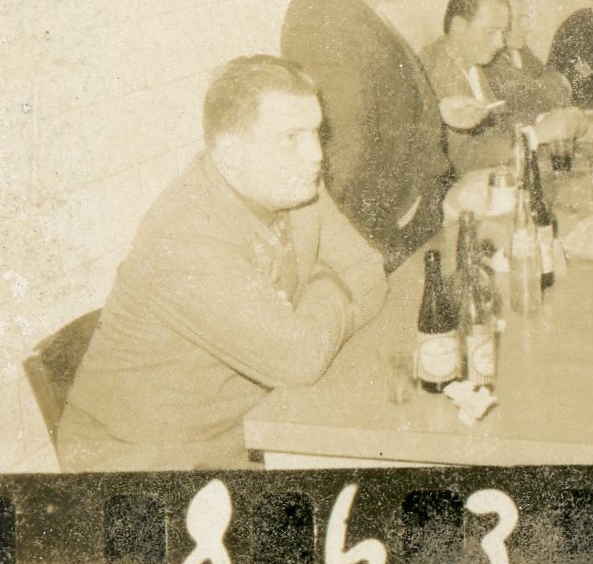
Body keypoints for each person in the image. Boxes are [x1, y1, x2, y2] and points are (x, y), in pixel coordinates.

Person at [58, 56, 388, 471]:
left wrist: (309, 318)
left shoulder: (296, 184)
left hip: (248, 428)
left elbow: (369, 273)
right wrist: (328, 280)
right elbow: (300, 359)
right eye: (291, 137)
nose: (316, 154)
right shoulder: (185, 236)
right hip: (146, 465)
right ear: (232, 153)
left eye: (315, 132)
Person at [281, 0, 451, 271]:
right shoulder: (322, 20)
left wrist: (437, 110)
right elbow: (344, 157)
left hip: (408, 222)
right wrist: (374, 253)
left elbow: (378, 103)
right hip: (387, 236)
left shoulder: (345, 4)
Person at [420, 0, 585, 173]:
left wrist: (545, 119)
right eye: (491, 32)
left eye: (503, 32)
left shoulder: (470, 61)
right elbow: (462, 160)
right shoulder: (438, 71)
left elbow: (496, 121)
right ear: (459, 26)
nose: (499, 43)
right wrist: (536, 134)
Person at [481, 0, 573, 119]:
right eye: (519, 19)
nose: (528, 27)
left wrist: (550, 84)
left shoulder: (517, 48)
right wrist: (553, 83)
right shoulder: (487, 58)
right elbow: (528, 98)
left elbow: (552, 79)